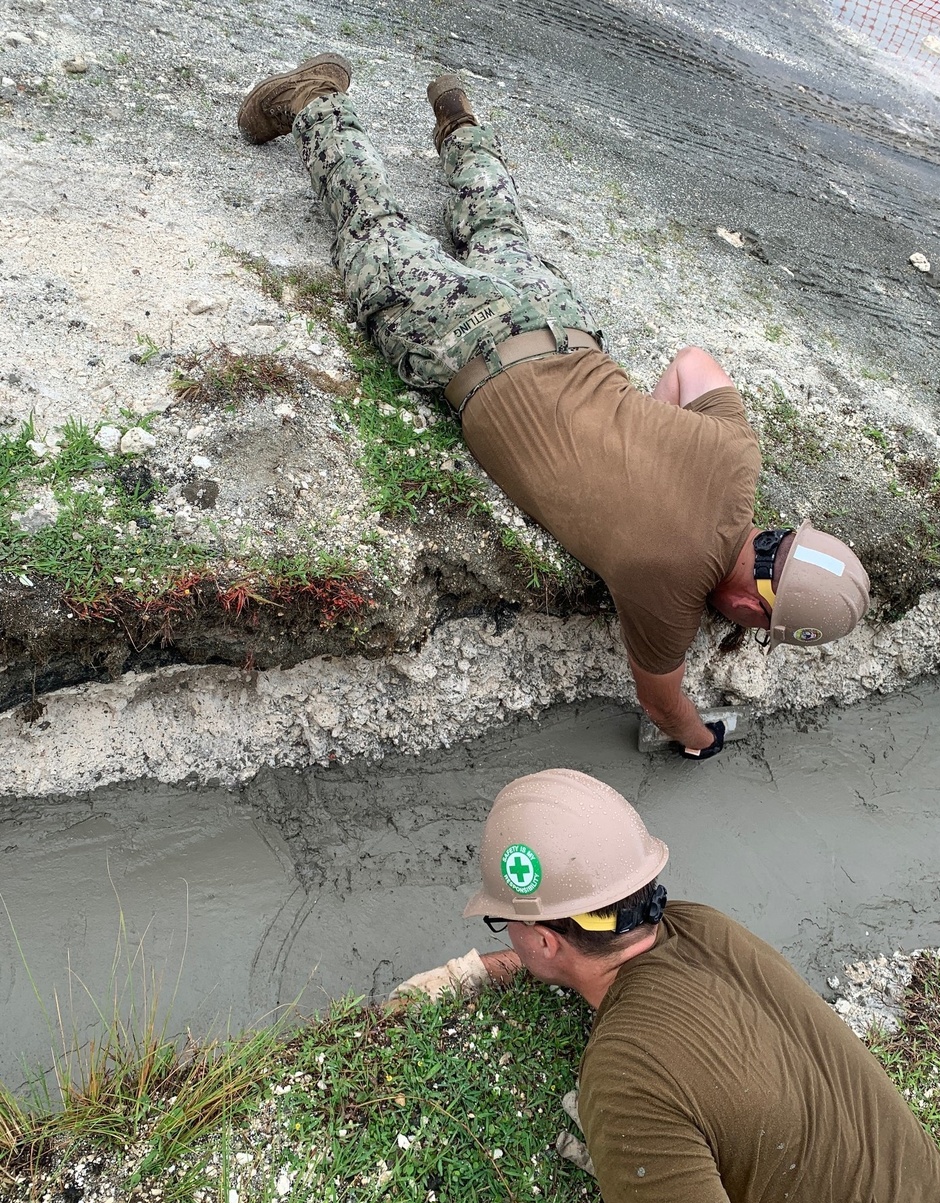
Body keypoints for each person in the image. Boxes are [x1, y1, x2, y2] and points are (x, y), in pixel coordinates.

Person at [238, 56, 871, 760]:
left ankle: (461, 125)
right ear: (754, 608)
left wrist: (632, 413)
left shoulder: (737, 455)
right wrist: (701, 737)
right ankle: (318, 98)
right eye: (756, 625)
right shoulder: (668, 590)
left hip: (562, 325)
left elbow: (693, 364)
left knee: (501, 233)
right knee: (373, 235)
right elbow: (664, 704)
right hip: (470, 346)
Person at [398, 768, 940, 1203]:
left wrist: (637, 1152)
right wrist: (473, 971)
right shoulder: (706, 928)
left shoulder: (625, 1074)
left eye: (505, 925)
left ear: (547, 940)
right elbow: (581, 953)